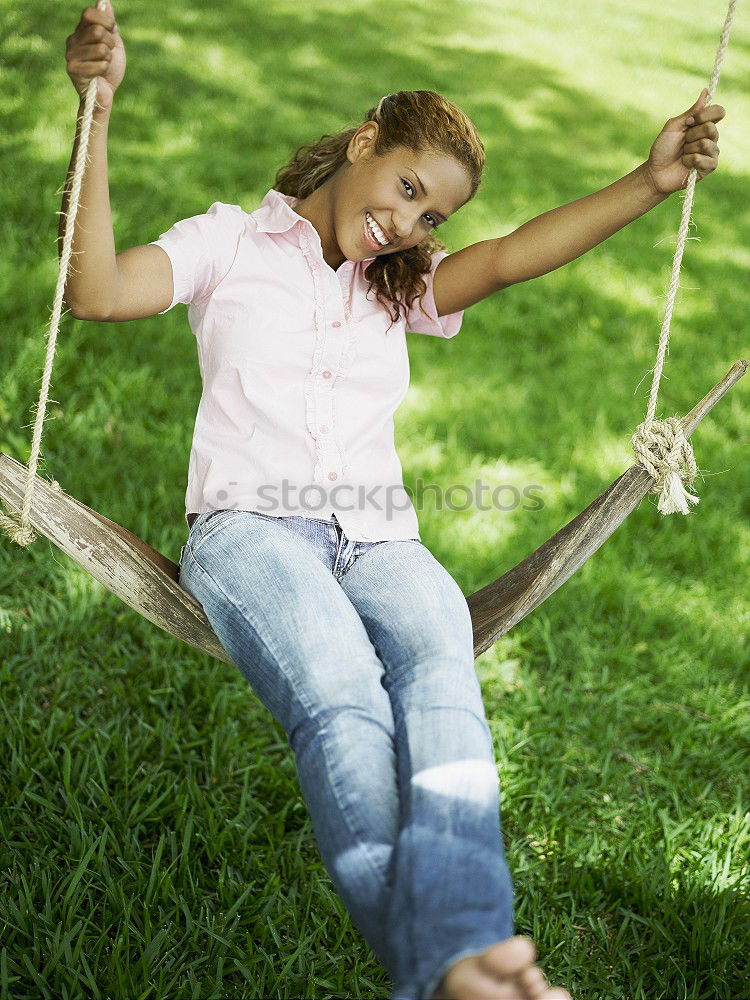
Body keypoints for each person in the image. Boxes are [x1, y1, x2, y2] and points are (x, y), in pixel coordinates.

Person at [62, 3, 724, 997]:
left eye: (430, 218)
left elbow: (511, 255)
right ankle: (462, 967)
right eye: (407, 189)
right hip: (250, 533)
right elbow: (100, 290)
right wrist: (96, 113)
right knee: (343, 700)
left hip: (382, 538)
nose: (408, 225)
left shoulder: (395, 287)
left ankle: (458, 961)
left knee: (444, 678)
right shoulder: (228, 245)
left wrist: (651, 179)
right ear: (365, 140)